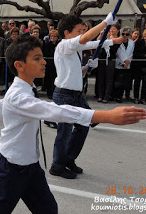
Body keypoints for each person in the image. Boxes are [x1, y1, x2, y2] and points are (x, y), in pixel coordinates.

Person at [0, 35, 146, 214]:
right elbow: (55, 111)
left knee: (48, 209)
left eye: (42, 57)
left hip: (30, 165)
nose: (44, 62)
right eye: (37, 58)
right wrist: (106, 116)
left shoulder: (24, 89)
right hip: (14, 167)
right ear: (19, 65)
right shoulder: (19, 96)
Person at [51, 13, 122, 179]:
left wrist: (86, 68)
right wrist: (105, 23)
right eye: (78, 31)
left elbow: (92, 43)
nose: (81, 34)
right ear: (67, 33)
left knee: (83, 126)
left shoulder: (72, 48)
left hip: (76, 95)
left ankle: (68, 159)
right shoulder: (64, 45)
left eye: (82, 30)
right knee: (65, 133)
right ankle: (57, 165)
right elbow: (86, 40)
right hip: (65, 95)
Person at [97, 23, 121, 103]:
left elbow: (114, 49)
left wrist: (109, 39)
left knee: (109, 79)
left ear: (118, 30)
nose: (112, 30)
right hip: (102, 59)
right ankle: (100, 95)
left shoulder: (118, 39)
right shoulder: (106, 37)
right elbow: (98, 43)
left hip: (111, 60)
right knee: (101, 78)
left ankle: (106, 96)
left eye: (114, 29)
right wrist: (102, 35)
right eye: (111, 28)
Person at [114, 27, 135, 103]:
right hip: (119, 63)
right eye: (123, 34)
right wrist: (124, 61)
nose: (125, 36)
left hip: (128, 64)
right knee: (118, 82)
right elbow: (118, 52)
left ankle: (125, 95)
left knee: (126, 81)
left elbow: (131, 53)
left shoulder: (132, 42)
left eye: (127, 34)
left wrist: (127, 62)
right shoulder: (118, 41)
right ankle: (117, 96)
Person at [41, 29, 60, 99]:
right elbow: (46, 53)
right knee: (49, 79)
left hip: (57, 65)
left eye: (54, 36)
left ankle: (56, 93)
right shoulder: (47, 45)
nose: (52, 38)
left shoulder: (59, 45)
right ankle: (49, 93)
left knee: (56, 79)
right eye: (51, 36)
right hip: (49, 64)